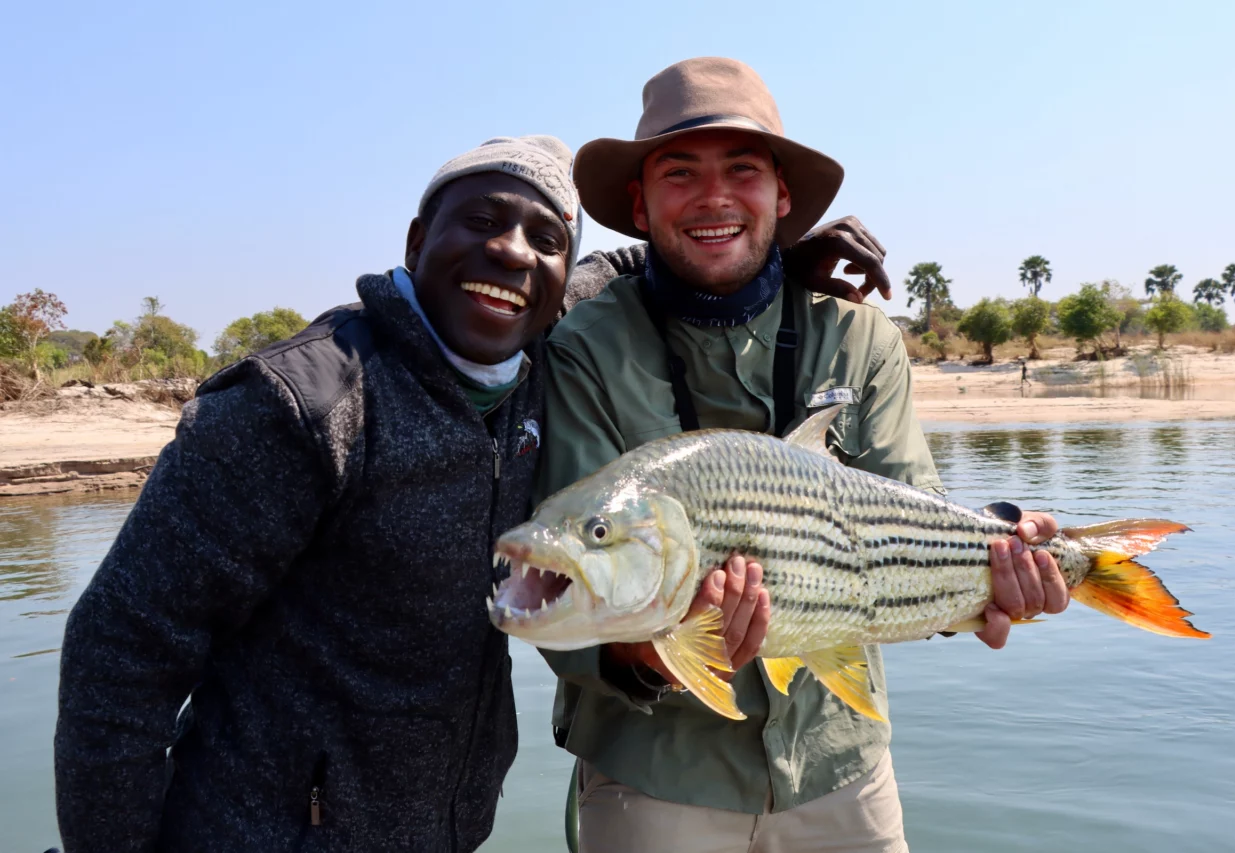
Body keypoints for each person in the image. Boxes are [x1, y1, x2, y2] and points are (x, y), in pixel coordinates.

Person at [52, 132, 895, 853]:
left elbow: (650, 259)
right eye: (482, 222)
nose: (512, 252)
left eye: (543, 236)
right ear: (418, 238)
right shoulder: (301, 406)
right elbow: (121, 649)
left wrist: (777, 257)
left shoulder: (528, 359)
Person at [537, 57, 1070, 853]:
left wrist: (988, 582)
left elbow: (911, 530)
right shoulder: (582, 348)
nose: (714, 197)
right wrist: (658, 649)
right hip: (655, 772)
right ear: (638, 204)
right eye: (679, 173)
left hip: (840, 764)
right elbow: (566, 589)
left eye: (742, 170)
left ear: (782, 197)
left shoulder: (860, 335)